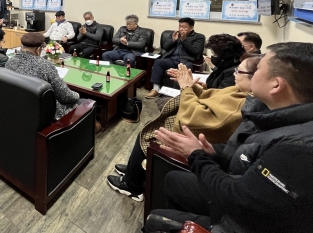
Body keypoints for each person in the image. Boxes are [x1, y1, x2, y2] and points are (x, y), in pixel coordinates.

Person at [147, 42, 313, 233]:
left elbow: (239, 200)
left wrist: (196, 155)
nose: (252, 74)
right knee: (173, 180)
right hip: (238, 183)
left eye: (258, 69)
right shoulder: (270, 112)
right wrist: (214, 154)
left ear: (276, 85)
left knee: (156, 220)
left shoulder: (298, 149)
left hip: (241, 218)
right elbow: (249, 158)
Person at [107, 56, 260, 203]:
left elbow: (196, 119)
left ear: (255, 77)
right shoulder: (239, 90)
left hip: (197, 136)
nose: (234, 73)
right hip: (195, 129)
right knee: (151, 125)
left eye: (238, 71)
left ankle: (132, 186)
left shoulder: (242, 103)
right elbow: (208, 96)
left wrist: (186, 87)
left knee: (149, 132)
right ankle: (134, 171)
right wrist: (190, 84)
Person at [6, 32, 80, 120]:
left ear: (22, 47)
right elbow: (65, 96)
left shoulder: (10, 62)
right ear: (38, 50)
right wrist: (77, 95)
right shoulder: (45, 65)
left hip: (18, 107)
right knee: (84, 102)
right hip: (45, 114)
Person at [145, 18, 205, 98]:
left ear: (191, 28)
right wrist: (173, 40)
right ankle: (156, 89)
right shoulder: (175, 34)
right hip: (172, 59)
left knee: (184, 71)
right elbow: (165, 47)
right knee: (158, 62)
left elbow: (196, 52)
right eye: (180, 26)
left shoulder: (199, 37)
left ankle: (181, 94)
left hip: (186, 61)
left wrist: (184, 40)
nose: (181, 29)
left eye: (184, 27)